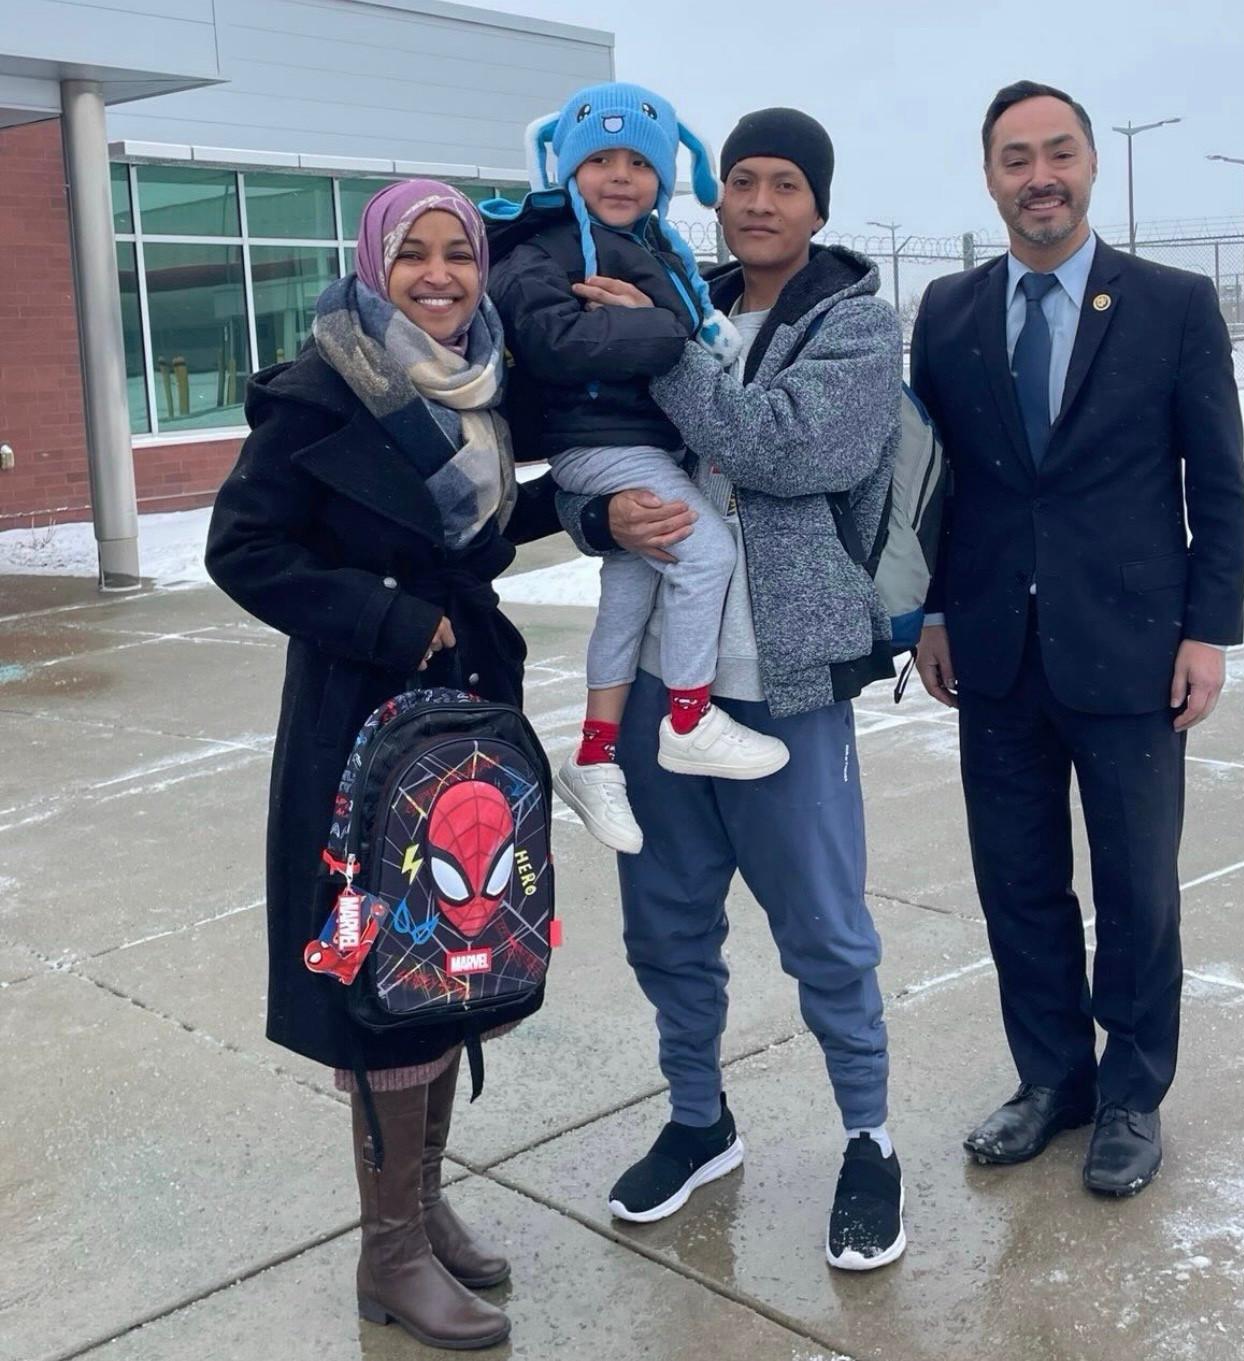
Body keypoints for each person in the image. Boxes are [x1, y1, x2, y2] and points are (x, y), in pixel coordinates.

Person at [206, 181, 570, 1350]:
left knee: (451, 959)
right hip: (362, 725)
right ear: (374, 264)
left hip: (466, 712)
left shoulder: (480, 384)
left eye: (458, 252)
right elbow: (243, 549)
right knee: (383, 970)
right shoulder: (322, 389)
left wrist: (593, 506)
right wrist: (393, 620)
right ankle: (390, 1251)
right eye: (414, 254)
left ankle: (419, 1202)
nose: (439, 275)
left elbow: (476, 527)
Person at [563, 108, 908, 1269]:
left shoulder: (855, 324)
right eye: (742, 181)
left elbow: (789, 448)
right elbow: (590, 441)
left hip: (785, 686)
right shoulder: (676, 296)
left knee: (824, 930)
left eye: (785, 185)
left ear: (818, 205)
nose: (759, 202)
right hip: (660, 684)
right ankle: (698, 1118)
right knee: (665, 925)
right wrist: (596, 513)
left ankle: (869, 1136)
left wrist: (660, 343)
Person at [911, 82, 1244, 1196]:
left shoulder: (1173, 304)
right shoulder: (948, 312)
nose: (1040, 176)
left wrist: (1208, 631)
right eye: (1016, 158)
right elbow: (934, 486)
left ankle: (1132, 1093)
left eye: (1058, 152)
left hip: (1134, 649)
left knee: (1138, 890)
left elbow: (1219, 482)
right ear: (990, 177)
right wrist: (935, 613)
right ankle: (1052, 1078)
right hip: (995, 654)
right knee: (1018, 882)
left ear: (1091, 165)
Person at [490, 82, 790, 858]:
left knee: (630, 589)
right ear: (567, 168)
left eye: (640, 163)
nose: (621, 176)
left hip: (630, 441)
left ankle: (594, 755)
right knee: (707, 552)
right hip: (600, 440)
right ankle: (688, 718)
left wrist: (658, 324)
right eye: (600, 160)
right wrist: (660, 332)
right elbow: (555, 342)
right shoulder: (545, 246)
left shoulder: (650, 245)